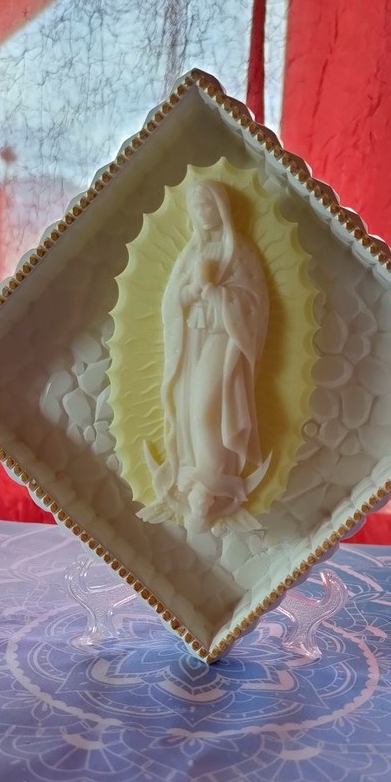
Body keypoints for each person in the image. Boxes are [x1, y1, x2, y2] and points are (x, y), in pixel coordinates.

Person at [139, 179, 269, 531]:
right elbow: (172, 299)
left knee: (205, 406)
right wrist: (187, 295)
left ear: (221, 207)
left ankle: (212, 480)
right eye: (197, 206)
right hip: (191, 339)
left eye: (208, 204)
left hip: (222, 340)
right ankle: (197, 478)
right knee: (187, 409)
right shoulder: (192, 251)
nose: (203, 212)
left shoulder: (239, 251)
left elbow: (254, 303)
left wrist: (217, 296)